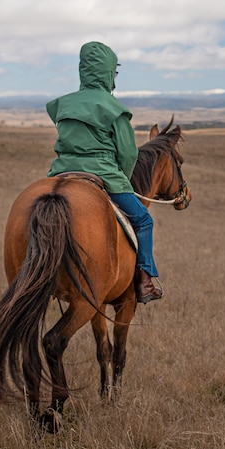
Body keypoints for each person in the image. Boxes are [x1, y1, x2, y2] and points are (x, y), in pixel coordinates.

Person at [45, 41, 162, 304]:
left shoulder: (64, 105)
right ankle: (144, 282)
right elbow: (129, 154)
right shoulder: (114, 108)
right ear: (109, 73)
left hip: (60, 173)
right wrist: (122, 178)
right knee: (144, 220)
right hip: (105, 176)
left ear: (83, 71)